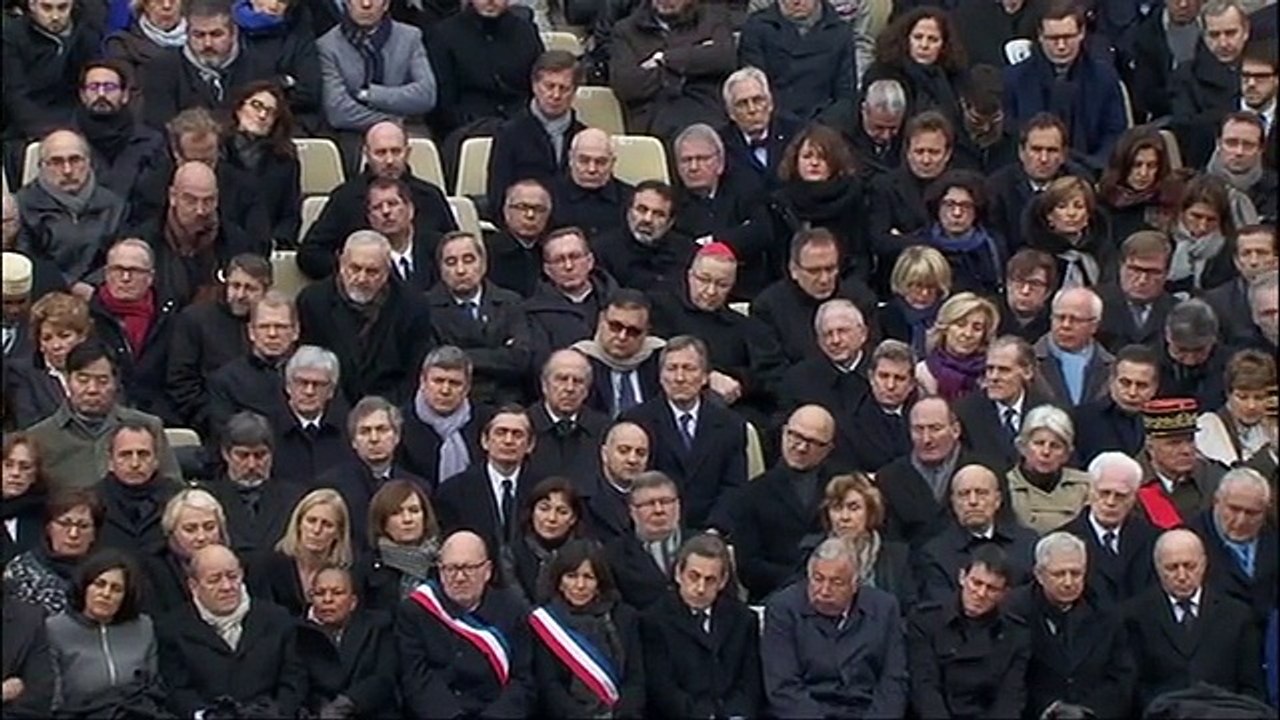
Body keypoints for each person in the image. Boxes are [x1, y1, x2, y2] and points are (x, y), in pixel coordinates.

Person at [762, 536, 908, 718]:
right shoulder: (783, 609)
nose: (824, 590)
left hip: (865, 711)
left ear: (855, 585)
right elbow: (783, 687)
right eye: (818, 579)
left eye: (836, 582)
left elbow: (892, 682)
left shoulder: (884, 609)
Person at [156, 544, 306, 718]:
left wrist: (278, 712)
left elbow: (293, 679)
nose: (227, 586)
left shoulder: (276, 618)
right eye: (214, 580)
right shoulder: (173, 628)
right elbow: (176, 689)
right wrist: (204, 715)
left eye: (232, 576)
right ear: (193, 586)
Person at [395, 530, 534, 717]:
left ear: (487, 571)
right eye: (451, 569)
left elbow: (523, 680)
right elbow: (415, 678)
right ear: (440, 571)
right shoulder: (416, 611)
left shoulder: (512, 609)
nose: (459, 578)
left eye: (469, 568)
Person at [1123, 528, 1264, 708]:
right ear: (1157, 568)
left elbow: (1252, 687)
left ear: (1204, 564)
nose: (1182, 576)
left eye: (1190, 566)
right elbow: (1131, 687)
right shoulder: (1134, 616)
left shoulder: (1236, 615)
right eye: (1172, 568)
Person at [297, 121, 456, 280]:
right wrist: (355, 270)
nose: (389, 160)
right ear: (366, 154)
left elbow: (455, 248)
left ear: (407, 152)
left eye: (396, 151)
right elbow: (311, 254)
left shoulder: (430, 196)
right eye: (381, 153)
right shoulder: (345, 198)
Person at [1004, 533, 1137, 719]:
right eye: (1059, 574)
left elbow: (1121, 676)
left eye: (1076, 573)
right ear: (1039, 575)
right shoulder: (1013, 610)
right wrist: (1049, 708)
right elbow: (1008, 678)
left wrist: (1087, 711)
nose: (1068, 582)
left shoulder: (1105, 611)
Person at [622, 336, 745, 534]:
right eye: (672, 369)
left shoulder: (730, 425)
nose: (679, 378)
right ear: (661, 376)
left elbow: (733, 488)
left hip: (710, 533)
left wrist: (714, 530)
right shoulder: (636, 422)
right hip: (652, 531)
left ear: (705, 377)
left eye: (688, 368)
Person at [297, 230, 435, 405]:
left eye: (372, 272)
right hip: (330, 406)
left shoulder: (413, 305)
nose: (361, 278)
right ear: (341, 263)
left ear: (387, 270)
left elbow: (415, 372)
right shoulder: (313, 301)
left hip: (392, 406)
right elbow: (309, 366)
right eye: (355, 268)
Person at [27, 342, 181, 491]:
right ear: (68, 381)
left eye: (102, 381)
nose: (92, 389)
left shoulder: (147, 426)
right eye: (83, 380)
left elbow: (173, 488)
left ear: (115, 383)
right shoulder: (40, 437)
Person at [640, 532, 763, 717]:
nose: (700, 588)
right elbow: (663, 689)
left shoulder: (743, 619)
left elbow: (750, 682)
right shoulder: (653, 621)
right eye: (694, 576)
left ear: (722, 582)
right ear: (678, 574)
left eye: (710, 580)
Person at [907, 545, 1032, 719]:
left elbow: (1009, 698)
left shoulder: (1015, 634)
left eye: (992, 589)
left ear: (1004, 594)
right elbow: (924, 687)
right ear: (962, 577)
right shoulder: (926, 621)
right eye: (976, 583)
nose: (980, 593)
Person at [1002, 0, 1127, 168]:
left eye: (1068, 37)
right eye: (1053, 38)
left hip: (1092, 173)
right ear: (1039, 35)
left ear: (1081, 33)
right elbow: (1009, 135)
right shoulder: (1014, 79)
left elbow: (1114, 134)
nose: (1061, 46)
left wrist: (1094, 167)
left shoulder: (1104, 78)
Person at [529, 538, 646, 717]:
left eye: (588, 577)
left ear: (600, 582)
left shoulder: (624, 617)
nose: (580, 585)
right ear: (559, 581)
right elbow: (550, 686)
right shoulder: (546, 623)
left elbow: (635, 680)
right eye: (572, 576)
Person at [735, 405, 835, 600]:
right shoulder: (752, 494)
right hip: (774, 597)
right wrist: (804, 580)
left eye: (813, 442)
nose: (801, 447)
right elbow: (748, 567)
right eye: (795, 436)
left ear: (828, 449)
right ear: (783, 433)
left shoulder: (840, 486)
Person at [45, 550, 160, 714]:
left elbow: (152, 686)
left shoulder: (144, 626)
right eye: (99, 584)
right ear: (84, 586)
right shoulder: (54, 628)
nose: (106, 594)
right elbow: (53, 699)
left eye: (116, 589)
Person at [424, 231, 531, 406]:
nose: (460, 270)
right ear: (440, 269)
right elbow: (435, 363)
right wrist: (498, 353)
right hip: (454, 400)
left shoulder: (510, 302)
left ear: (483, 264)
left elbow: (520, 359)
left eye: (468, 260)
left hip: (506, 401)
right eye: (451, 262)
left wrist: (459, 355)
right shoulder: (426, 308)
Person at [165, 253, 269, 434]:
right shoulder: (195, 320)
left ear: (265, 291)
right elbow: (181, 382)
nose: (240, 295)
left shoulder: (273, 325)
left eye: (250, 288)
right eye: (235, 286)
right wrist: (214, 421)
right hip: (212, 427)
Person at [16, 130, 127, 292]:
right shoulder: (23, 205)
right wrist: (70, 285)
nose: (67, 170)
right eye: (56, 161)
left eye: (75, 160)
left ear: (89, 162)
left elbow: (119, 257)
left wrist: (93, 286)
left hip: (100, 293)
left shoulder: (114, 205)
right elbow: (25, 260)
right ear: (41, 166)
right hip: (43, 293)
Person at [609, 0, 736, 141]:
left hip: (708, 116)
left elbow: (724, 58)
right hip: (655, 124)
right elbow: (626, 85)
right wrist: (693, 62)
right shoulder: (626, 30)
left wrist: (664, 59)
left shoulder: (713, 19)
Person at [751, 228, 878, 369]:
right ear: (793, 269)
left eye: (830, 269)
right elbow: (770, 370)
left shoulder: (861, 298)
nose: (824, 279)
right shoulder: (768, 307)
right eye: (813, 271)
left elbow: (874, 355)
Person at [316, 0, 438, 139]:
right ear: (347, 3)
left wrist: (369, 95)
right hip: (352, 133)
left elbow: (426, 96)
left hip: (409, 130)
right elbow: (337, 112)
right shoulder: (327, 46)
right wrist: (392, 122)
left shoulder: (410, 37)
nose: (366, 4)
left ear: (386, 4)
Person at [485, 50, 586, 217]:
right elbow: (498, 197)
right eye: (549, 86)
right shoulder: (509, 134)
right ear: (534, 86)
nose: (555, 95)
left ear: (575, 91)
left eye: (564, 88)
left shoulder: (584, 136)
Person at [140, 0, 271, 128]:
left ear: (233, 33)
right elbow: (158, 126)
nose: (207, 43)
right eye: (198, 35)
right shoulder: (162, 68)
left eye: (216, 34)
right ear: (187, 34)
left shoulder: (259, 67)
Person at [916, 463, 1037, 602]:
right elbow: (941, 607)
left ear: (997, 500)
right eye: (964, 494)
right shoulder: (934, 553)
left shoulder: (1027, 544)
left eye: (981, 493)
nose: (973, 501)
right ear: (954, 503)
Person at [319, 396, 428, 546]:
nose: (374, 438)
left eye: (382, 430)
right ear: (353, 442)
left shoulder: (418, 487)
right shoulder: (332, 486)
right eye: (365, 431)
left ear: (397, 436)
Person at [425, 0, 542, 138]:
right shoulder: (444, 34)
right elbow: (443, 102)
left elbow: (539, 83)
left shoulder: (526, 31)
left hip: (522, 126)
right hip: (466, 130)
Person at [768, 124, 869, 283]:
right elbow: (777, 259)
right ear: (796, 160)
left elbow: (861, 254)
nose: (814, 163)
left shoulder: (854, 196)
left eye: (822, 157)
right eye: (807, 156)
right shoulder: (780, 203)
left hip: (845, 283)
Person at [1058, 452, 1159, 610]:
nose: (1110, 502)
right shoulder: (1062, 541)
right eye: (1104, 493)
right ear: (1090, 491)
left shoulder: (1153, 540)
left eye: (1120, 496)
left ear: (1133, 498)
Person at [779, 299, 872, 467]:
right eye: (827, 334)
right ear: (819, 341)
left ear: (863, 334)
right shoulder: (798, 380)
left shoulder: (884, 374)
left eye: (842, 331)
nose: (835, 340)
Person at [296, 565, 398, 718]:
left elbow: (384, 678)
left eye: (337, 593)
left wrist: (346, 704)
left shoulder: (379, 627)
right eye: (319, 593)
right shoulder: (298, 632)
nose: (327, 599)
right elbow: (298, 682)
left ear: (353, 602)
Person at [435, 405, 538, 553]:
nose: (508, 441)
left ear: (530, 445)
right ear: (484, 440)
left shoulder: (543, 489)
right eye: (501, 433)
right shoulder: (453, 491)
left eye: (517, 434)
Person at [867, 111, 956, 282]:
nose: (926, 159)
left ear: (948, 153)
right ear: (907, 151)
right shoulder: (884, 186)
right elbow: (879, 241)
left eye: (934, 152)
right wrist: (934, 242)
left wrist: (904, 237)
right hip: (897, 279)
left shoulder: (961, 186)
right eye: (919, 151)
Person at [203, 411, 306, 558]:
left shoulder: (295, 499)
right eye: (243, 455)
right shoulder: (206, 500)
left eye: (260, 455)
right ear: (225, 454)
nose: (251, 465)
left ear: (272, 454)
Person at [986, 114, 1090, 255]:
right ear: (1021, 152)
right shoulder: (997, 187)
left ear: (1064, 155)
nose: (1043, 158)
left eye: (1052, 150)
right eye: (1036, 149)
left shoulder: (1080, 182)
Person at [737, 0, 855, 121]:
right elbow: (754, 88)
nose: (797, 2)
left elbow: (845, 95)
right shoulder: (757, 27)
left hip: (822, 123)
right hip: (773, 122)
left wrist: (824, 126)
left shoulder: (840, 32)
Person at [0, 0, 101, 142]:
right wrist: (46, 132)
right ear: (32, 5)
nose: (55, 16)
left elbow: (90, 87)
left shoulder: (87, 35)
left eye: (62, 8)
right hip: (25, 129)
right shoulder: (11, 36)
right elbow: (15, 94)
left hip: (78, 125)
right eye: (47, 8)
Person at [1187, 467, 1276, 623]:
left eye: (1252, 513)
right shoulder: (1189, 540)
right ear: (1216, 501)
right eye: (1234, 509)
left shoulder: (1273, 536)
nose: (1241, 520)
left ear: (1265, 510)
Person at [71, 59, 167, 204]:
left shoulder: (151, 143)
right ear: (82, 95)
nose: (101, 94)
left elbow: (153, 205)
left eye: (109, 87)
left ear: (125, 95)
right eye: (93, 87)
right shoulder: (66, 142)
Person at [1171, 0, 1254, 163]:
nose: (1223, 43)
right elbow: (1186, 132)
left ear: (1246, 32)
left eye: (1230, 33)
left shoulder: (1267, 67)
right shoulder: (1186, 75)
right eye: (1214, 35)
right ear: (1204, 36)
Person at [206, 291, 299, 437]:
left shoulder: (315, 376)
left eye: (281, 327)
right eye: (264, 327)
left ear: (295, 331)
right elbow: (224, 440)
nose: (272, 334)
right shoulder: (226, 381)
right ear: (251, 332)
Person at [397, 346, 491, 490]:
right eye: (438, 381)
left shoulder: (485, 422)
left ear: (467, 388)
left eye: (454, 383)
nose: (445, 390)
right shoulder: (400, 423)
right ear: (423, 382)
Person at [251, 488, 356, 617]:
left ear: (339, 533)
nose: (317, 530)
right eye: (311, 521)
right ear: (298, 524)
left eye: (327, 524)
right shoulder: (268, 566)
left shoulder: (349, 573)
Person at [221, 81, 301, 249]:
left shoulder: (285, 161)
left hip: (264, 246)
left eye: (271, 112)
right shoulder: (218, 151)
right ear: (239, 107)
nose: (262, 115)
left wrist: (275, 242)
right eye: (256, 106)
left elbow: (290, 215)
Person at [524, 227, 620, 366]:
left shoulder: (618, 301)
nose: (568, 266)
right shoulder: (533, 313)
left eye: (575, 257)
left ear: (590, 261)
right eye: (559, 260)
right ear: (548, 270)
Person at [956, 336, 1054, 472]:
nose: (994, 377)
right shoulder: (965, 413)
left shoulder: (1050, 413)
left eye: (1004, 370)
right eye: (990, 369)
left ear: (1027, 372)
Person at [3, 488, 102, 617]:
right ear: (49, 528)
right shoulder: (21, 570)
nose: (73, 534)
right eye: (64, 524)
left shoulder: (106, 571)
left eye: (83, 526)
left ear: (94, 533)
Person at [862, 7, 967, 125]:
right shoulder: (883, 73)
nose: (924, 45)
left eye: (933, 39)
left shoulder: (953, 77)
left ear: (944, 45)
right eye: (918, 37)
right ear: (906, 39)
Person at [572, 289, 666, 418]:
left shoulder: (662, 358)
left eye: (633, 331)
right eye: (615, 326)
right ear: (601, 320)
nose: (622, 336)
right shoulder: (578, 361)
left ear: (646, 331)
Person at [268, 345, 352, 489]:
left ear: (331, 391)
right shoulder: (268, 429)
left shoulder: (348, 429)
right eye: (302, 382)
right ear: (288, 386)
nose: (309, 391)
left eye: (318, 384)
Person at [1136, 397, 1227, 529]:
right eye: (1174, 443)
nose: (1186, 450)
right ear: (1150, 447)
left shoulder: (1215, 478)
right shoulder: (1130, 484)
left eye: (1190, 440)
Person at [95, 424, 181, 563]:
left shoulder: (179, 499)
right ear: (110, 461)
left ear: (156, 460)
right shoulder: (91, 500)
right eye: (125, 455)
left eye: (143, 454)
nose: (135, 463)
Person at [5, 292, 91, 429]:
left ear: (82, 337)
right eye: (47, 338)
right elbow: (29, 426)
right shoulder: (22, 374)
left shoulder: (101, 366)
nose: (56, 345)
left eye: (64, 336)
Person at [526, 350, 610, 488]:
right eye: (562, 379)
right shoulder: (523, 426)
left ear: (587, 390)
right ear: (544, 385)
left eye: (578, 381)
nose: (570, 388)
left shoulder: (604, 430)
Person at [604, 471, 687, 609]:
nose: (659, 510)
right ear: (632, 511)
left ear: (678, 505)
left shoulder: (704, 545)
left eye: (665, 502)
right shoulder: (614, 555)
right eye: (649, 504)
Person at [595, 181, 694, 294]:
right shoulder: (603, 250)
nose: (647, 219)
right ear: (629, 211)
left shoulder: (687, 252)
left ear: (670, 222)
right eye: (641, 210)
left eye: (658, 214)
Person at [143, 488, 229, 615]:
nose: (202, 537)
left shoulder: (238, 562)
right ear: (171, 532)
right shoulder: (150, 569)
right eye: (190, 529)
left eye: (209, 527)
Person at [1006, 405, 1091, 534]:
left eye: (1055, 446)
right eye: (1039, 443)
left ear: (1066, 454)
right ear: (1022, 447)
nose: (1046, 452)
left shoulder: (1085, 486)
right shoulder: (1005, 486)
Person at [718, 67, 805, 192]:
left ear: (770, 104)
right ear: (731, 113)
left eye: (758, 100)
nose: (752, 109)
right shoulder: (720, 146)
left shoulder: (797, 134)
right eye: (742, 104)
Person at [1072, 344, 1161, 464]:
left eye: (1141, 385)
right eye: (1125, 383)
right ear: (1111, 380)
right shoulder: (1081, 420)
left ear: (1155, 387)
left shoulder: (1163, 423)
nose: (1132, 392)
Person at [361, 479, 441, 612]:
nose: (407, 519)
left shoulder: (443, 563)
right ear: (382, 521)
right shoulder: (366, 567)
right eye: (396, 513)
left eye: (414, 511)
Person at [1022, 176, 1115, 290]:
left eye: (1078, 206)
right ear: (1049, 215)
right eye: (1062, 207)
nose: (1071, 213)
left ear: (1088, 215)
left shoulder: (1104, 254)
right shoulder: (1032, 257)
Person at [1121, 0, 1204, 123]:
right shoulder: (1146, 36)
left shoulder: (1216, 29)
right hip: (1167, 117)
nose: (1183, 4)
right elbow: (1146, 95)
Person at [506, 476, 584, 601]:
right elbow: (515, 601)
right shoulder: (511, 553)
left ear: (573, 518)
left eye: (562, 512)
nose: (551, 518)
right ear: (532, 512)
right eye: (544, 509)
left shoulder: (587, 553)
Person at [548, 128, 635, 240]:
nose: (592, 169)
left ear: (613, 162)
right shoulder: (547, 196)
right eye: (584, 160)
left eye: (601, 162)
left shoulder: (632, 199)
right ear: (570, 158)